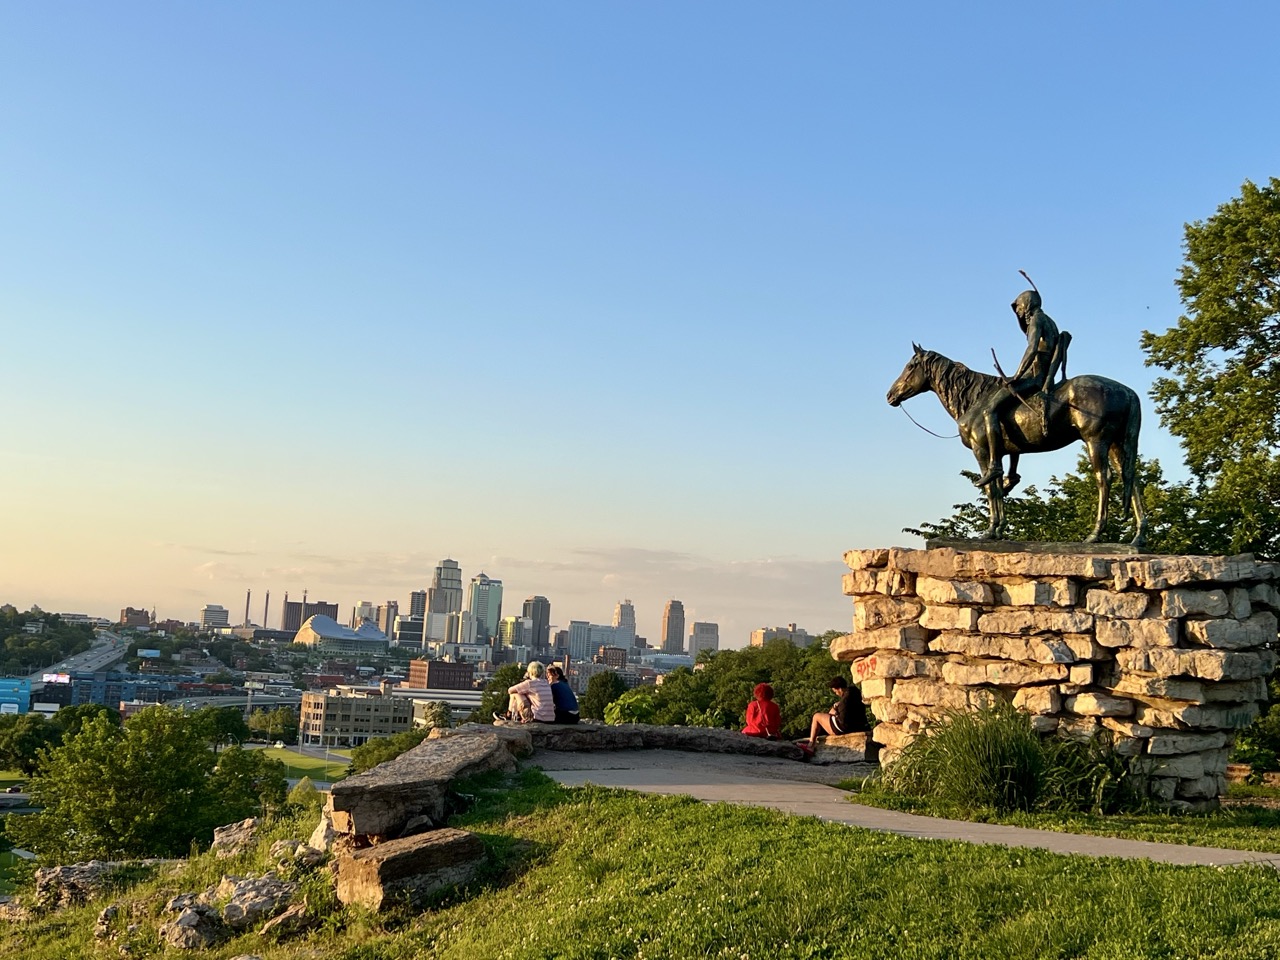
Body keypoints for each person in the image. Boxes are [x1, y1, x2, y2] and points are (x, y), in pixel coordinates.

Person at [970, 287, 1065, 488]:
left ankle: (995, 465)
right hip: (1041, 376)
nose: (1018, 311)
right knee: (1009, 414)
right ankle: (1012, 473)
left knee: (990, 410)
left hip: (1033, 378)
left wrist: (1017, 376)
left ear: (1028, 304)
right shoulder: (1050, 322)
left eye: (1020, 307)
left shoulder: (1037, 321)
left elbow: (1032, 349)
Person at [802, 677, 866, 749]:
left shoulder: (844, 701)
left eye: (835, 691)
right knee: (830, 713)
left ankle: (811, 745)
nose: (836, 694)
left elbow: (843, 720)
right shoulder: (854, 692)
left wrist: (835, 713)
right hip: (858, 725)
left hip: (845, 728)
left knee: (816, 716)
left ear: (839, 689)